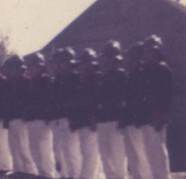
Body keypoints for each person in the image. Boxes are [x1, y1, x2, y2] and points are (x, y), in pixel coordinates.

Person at [136, 35, 173, 179]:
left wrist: (161, 115)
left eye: (150, 51)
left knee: (157, 153)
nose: (147, 54)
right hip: (146, 116)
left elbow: (165, 96)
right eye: (146, 52)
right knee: (149, 154)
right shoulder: (146, 71)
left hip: (156, 117)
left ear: (157, 52)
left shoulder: (162, 70)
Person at [96, 40, 129, 179]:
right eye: (106, 57)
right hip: (103, 119)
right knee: (105, 155)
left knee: (118, 156)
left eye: (110, 58)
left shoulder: (122, 75)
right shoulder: (101, 77)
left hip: (116, 119)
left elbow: (124, 98)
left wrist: (123, 117)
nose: (107, 61)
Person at [23, 52, 58, 178]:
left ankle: (49, 174)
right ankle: (40, 173)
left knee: (44, 149)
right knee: (34, 149)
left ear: (41, 67)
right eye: (30, 67)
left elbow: (54, 83)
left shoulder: (46, 79)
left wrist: (51, 74)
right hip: (32, 118)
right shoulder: (29, 83)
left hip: (42, 118)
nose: (31, 69)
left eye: (35, 66)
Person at [50, 47, 82, 178]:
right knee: (60, 150)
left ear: (70, 62)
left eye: (62, 62)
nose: (59, 65)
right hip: (58, 118)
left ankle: (74, 175)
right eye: (58, 62)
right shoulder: (57, 80)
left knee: (71, 150)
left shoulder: (76, 78)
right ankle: (65, 175)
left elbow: (77, 100)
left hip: (71, 118)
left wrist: (74, 118)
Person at [4, 55, 38, 176]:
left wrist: (25, 113)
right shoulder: (9, 83)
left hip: (22, 118)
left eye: (15, 68)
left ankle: (30, 171)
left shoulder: (27, 82)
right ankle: (18, 170)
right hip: (12, 117)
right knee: (14, 147)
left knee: (24, 147)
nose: (13, 71)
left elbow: (29, 100)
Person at [73, 49, 104, 179]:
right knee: (87, 152)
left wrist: (94, 117)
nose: (83, 67)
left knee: (90, 153)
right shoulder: (82, 81)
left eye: (86, 64)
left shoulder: (96, 79)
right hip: (83, 121)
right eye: (82, 64)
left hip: (91, 120)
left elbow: (96, 100)